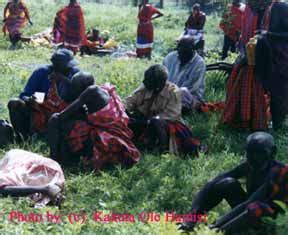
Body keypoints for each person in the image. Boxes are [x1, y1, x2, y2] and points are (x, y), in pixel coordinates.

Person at [179, 132, 288, 233]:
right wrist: (191, 217)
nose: (254, 158)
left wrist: (216, 228)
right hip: (248, 210)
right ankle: (192, 222)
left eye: (260, 153)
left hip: (273, 220)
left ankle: (222, 232)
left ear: (273, 152)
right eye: (250, 153)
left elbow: (251, 202)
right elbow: (212, 183)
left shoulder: (279, 172)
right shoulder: (250, 165)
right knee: (227, 183)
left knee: (256, 207)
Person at [47, 72, 140, 171]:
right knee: (75, 118)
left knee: (54, 119)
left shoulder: (90, 91)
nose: (74, 91)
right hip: (113, 132)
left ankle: (54, 158)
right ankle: (65, 155)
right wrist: (63, 79)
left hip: (106, 136)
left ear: (83, 88)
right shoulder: (102, 89)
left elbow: (63, 115)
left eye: (76, 88)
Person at [125, 64, 201, 155]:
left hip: (167, 125)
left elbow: (171, 115)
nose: (144, 82)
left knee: (156, 122)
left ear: (159, 83)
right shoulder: (146, 87)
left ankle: (162, 149)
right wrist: (122, 110)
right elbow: (130, 101)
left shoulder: (173, 92)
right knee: (127, 119)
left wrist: (149, 121)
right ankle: (139, 143)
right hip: (146, 121)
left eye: (148, 80)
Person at [221, 0, 273, 131]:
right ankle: (241, 122)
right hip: (248, 56)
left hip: (265, 58)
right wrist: (244, 53)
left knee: (259, 92)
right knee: (239, 87)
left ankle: (258, 123)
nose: (249, 2)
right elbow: (245, 35)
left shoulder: (273, 9)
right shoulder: (250, 10)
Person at [7, 49, 80, 140]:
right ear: (54, 64)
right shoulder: (42, 72)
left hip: (65, 111)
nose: (68, 68)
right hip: (41, 107)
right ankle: (23, 137)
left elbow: (82, 93)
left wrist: (64, 80)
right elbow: (24, 95)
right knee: (14, 103)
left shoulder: (75, 73)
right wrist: (30, 99)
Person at [256, 1, 288, 130]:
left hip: (281, 62)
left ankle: (278, 125)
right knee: (274, 94)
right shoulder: (268, 8)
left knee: (279, 95)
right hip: (272, 62)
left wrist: (268, 35)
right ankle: (275, 123)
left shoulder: (281, 7)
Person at [0, 149, 65, 207]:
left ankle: (46, 189)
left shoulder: (9, 164)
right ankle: (48, 189)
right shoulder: (12, 156)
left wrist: (44, 189)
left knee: (4, 187)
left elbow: (3, 189)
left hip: (42, 171)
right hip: (54, 169)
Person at [163, 36, 205, 113]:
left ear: (193, 49)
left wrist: (170, 94)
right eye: (180, 51)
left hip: (189, 96)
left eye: (185, 52)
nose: (182, 55)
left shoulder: (199, 63)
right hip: (168, 93)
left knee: (183, 91)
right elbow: (162, 78)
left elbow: (192, 87)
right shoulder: (170, 57)